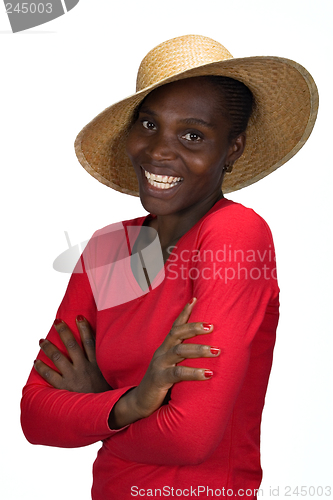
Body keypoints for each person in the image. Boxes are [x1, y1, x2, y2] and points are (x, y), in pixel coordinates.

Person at [20, 35, 318, 499]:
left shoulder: (233, 236)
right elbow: (36, 417)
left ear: (233, 149)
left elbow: (189, 436)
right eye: (149, 124)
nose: (160, 150)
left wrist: (101, 409)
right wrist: (134, 402)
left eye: (193, 135)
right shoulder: (112, 250)